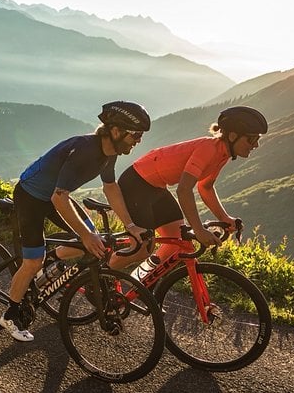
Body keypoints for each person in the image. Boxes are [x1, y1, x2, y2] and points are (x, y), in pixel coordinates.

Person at [0, 101, 150, 342]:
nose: (139, 140)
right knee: (33, 260)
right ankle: (11, 313)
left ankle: (49, 261)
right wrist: (84, 235)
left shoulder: (109, 153)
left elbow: (110, 187)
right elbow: (59, 197)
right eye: (136, 134)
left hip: (55, 197)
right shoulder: (85, 150)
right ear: (116, 131)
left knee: (95, 241)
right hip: (31, 196)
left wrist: (130, 226)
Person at [109, 105, 268, 273]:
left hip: (156, 187)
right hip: (136, 183)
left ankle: (139, 283)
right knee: (142, 249)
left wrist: (224, 217)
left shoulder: (222, 153)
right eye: (252, 139)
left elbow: (205, 187)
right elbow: (184, 190)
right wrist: (199, 230)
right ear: (233, 136)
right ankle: (99, 278)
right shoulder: (209, 149)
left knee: (176, 242)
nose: (256, 145)